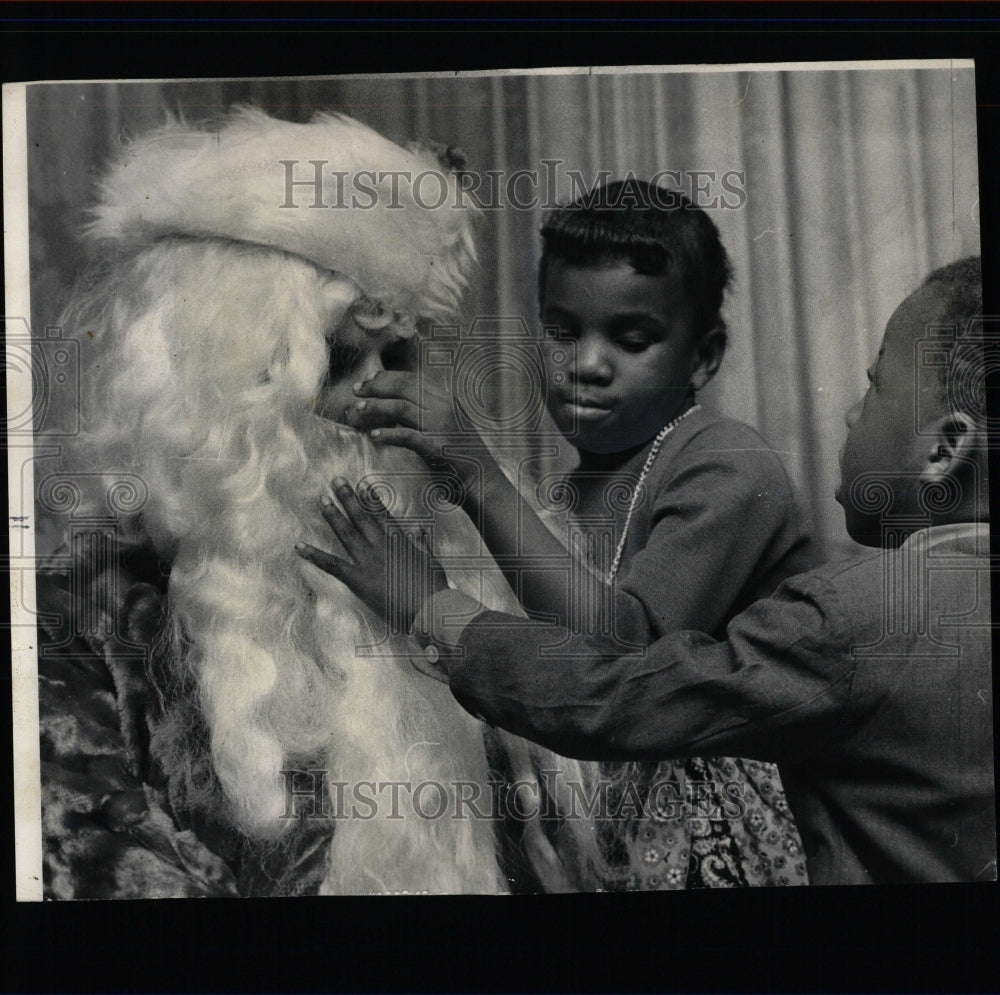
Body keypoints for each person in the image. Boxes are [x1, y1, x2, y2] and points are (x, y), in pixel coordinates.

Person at [34, 106, 601, 897]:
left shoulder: (465, 567)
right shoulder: (84, 609)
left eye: (397, 356)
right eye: (337, 360)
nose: (380, 400)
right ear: (225, 383)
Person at [298, 256, 995, 886]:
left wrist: (431, 600)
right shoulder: (588, 481)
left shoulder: (847, 601)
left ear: (946, 449)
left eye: (874, 388)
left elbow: (622, 679)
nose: (587, 365)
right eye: (562, 331)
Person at [303, 179, 819, 888]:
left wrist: (473, 480)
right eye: (562, 330)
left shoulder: (729, 463)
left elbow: (618, 652)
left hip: (717, 839)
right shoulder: (573, 490)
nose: (586, 363)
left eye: (631, 339)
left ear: (704, 357)